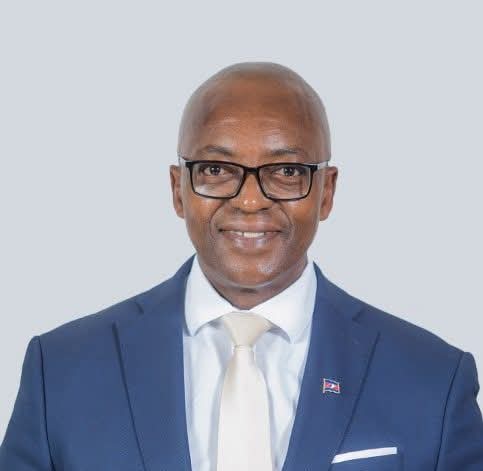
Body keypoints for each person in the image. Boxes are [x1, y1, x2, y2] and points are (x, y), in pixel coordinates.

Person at [1, 62, 482, 471]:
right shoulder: (60, 370)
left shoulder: (433, 380)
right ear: (178, 189)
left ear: (327, 192)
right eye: (216, 170)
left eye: (287, 171)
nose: (250, 200)